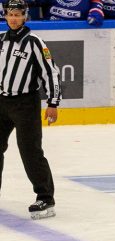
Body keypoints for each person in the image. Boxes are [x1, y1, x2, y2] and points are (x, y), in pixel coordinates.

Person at [0, 0, 60, 219]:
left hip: (25, 104)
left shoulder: (35, 42)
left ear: (25, 16)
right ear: (5, 15)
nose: (13, 18)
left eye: (18, 14)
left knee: (30, 152)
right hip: (1, 102)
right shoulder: (1, 40)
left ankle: (45, 198)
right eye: (10, 14)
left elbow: (50, 73)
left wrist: (53, 103)